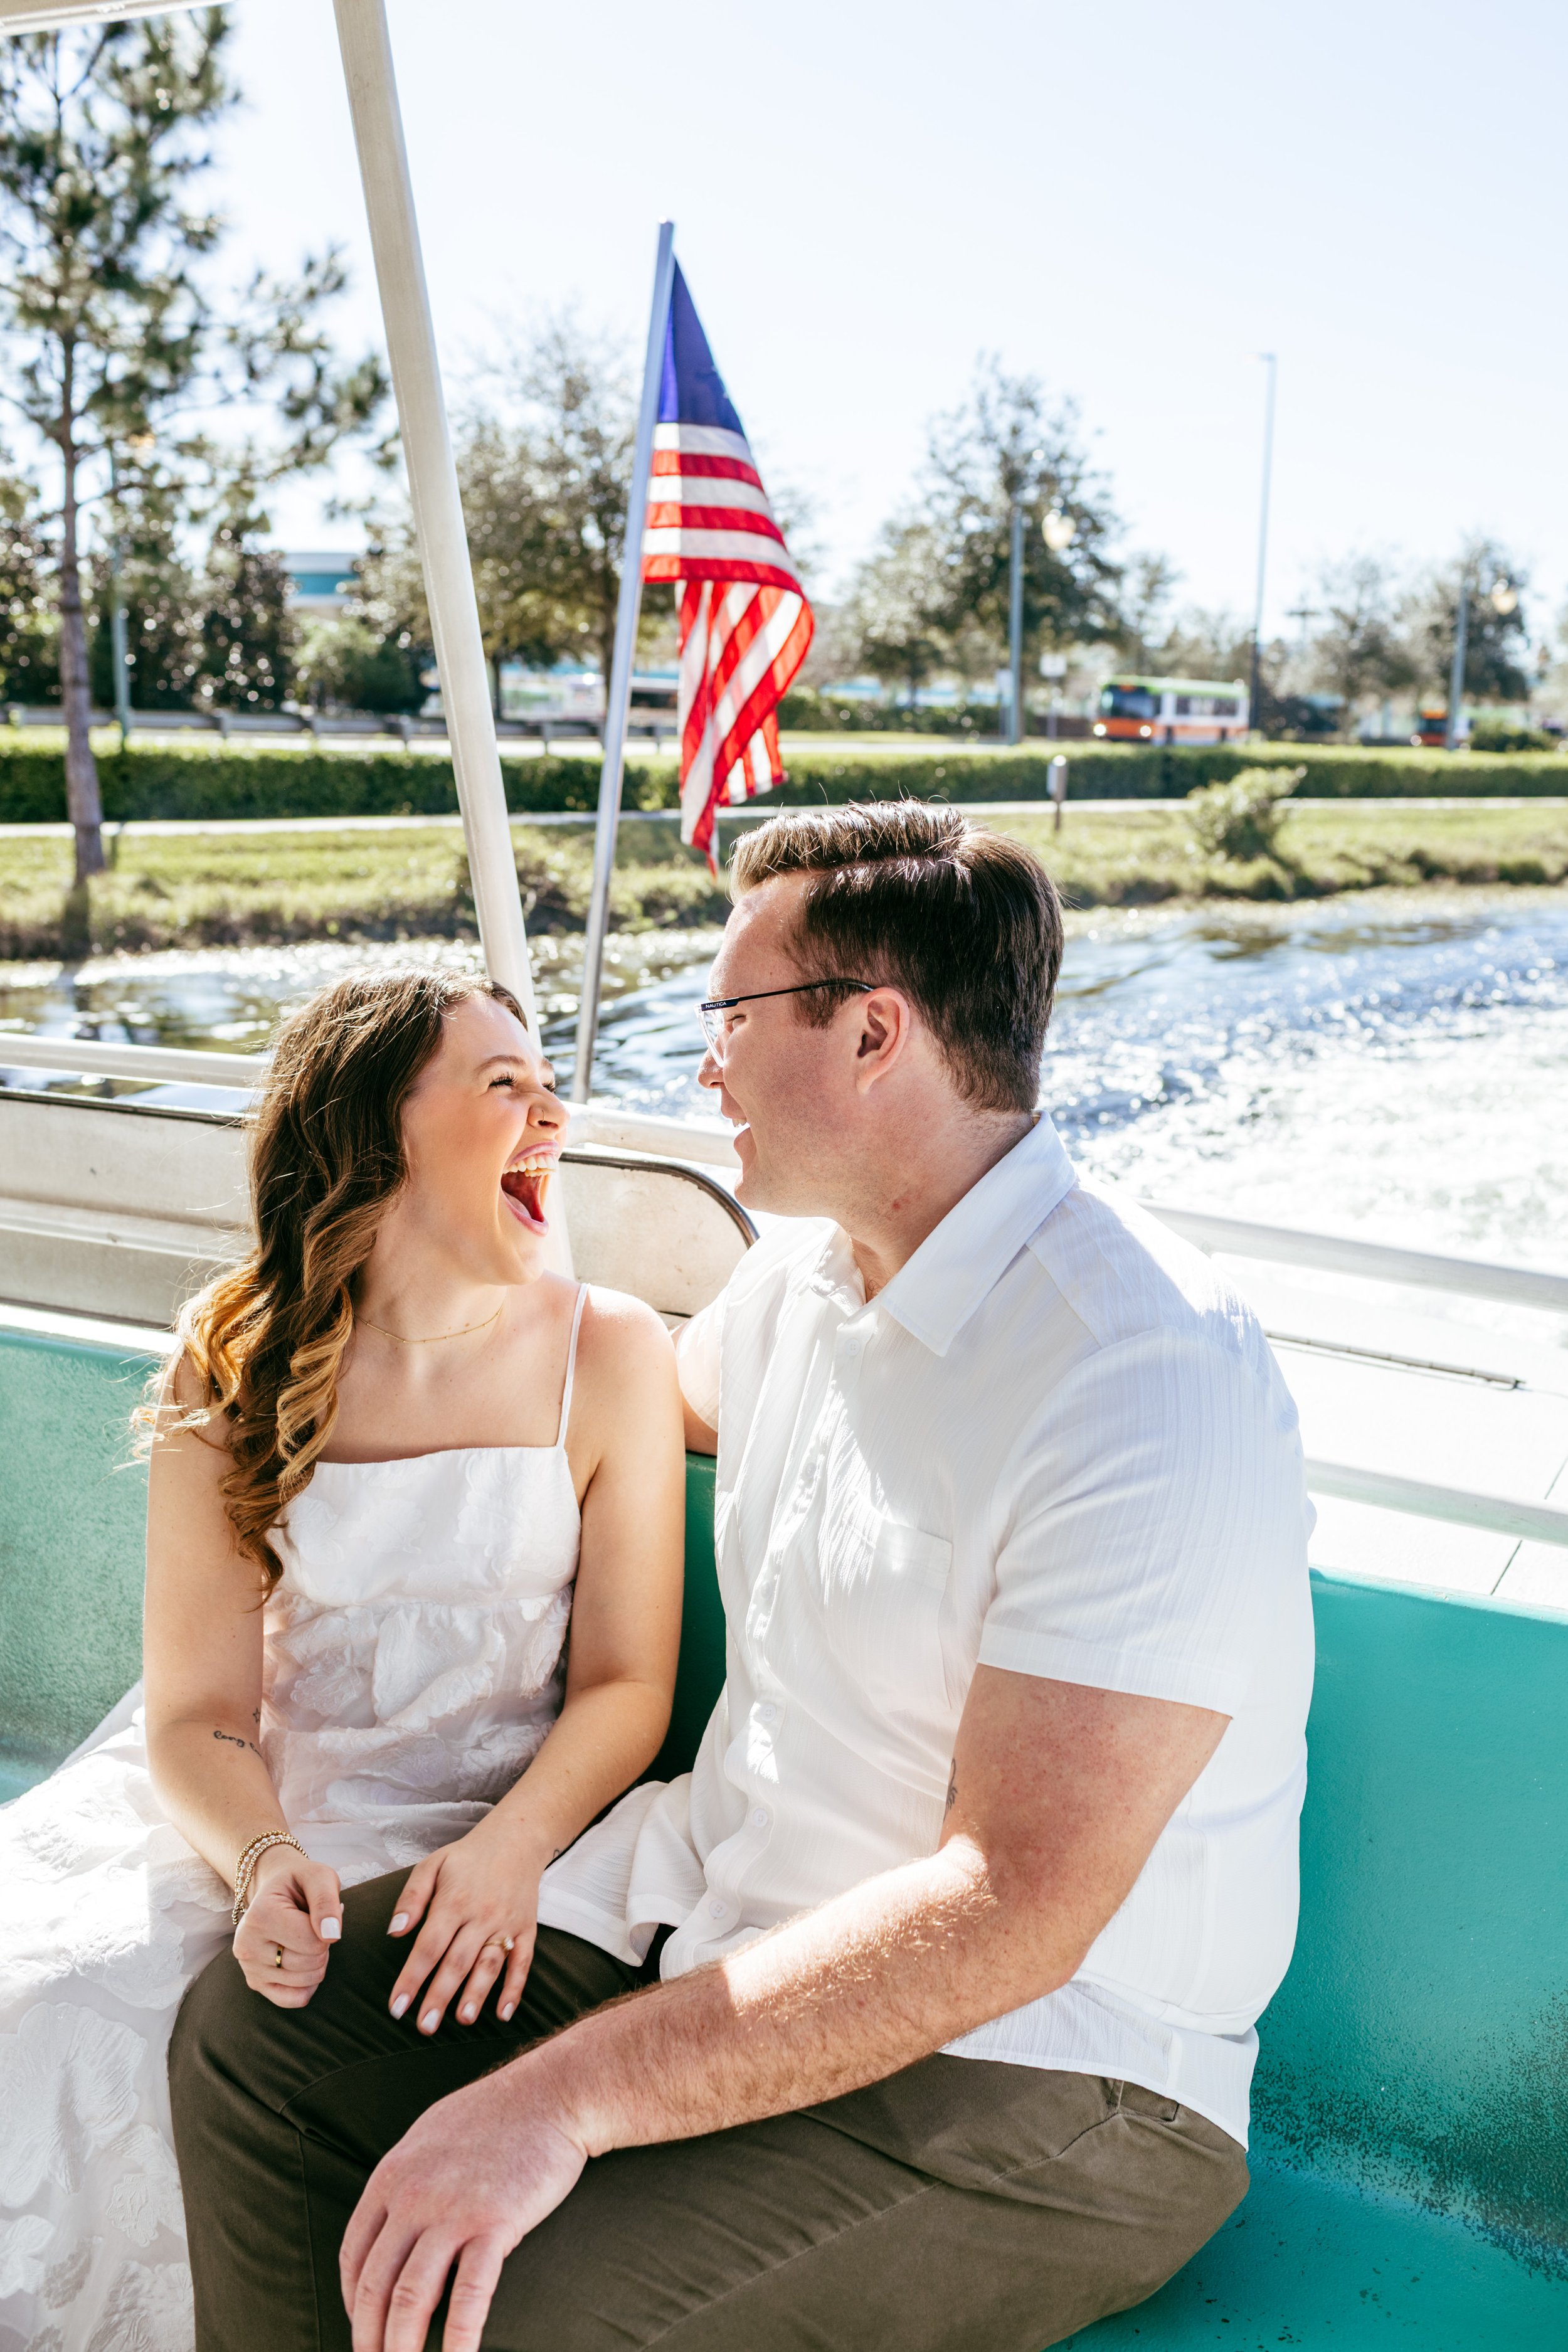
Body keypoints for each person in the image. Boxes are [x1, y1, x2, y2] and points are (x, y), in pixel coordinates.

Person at [171, 803, 1315, 2352]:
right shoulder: (802, 1281)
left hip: (1043, 2069)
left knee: (519, 2308)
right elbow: (582, 1411)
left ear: (870, 1035)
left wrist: (552, 2106)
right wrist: (319, 1342)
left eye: (727, 1013)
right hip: (710, 1916)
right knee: (262, 2034)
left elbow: (1015, 1913)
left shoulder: (1140, 1373)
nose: (697, 1059)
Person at [0, 969, 684, 2352]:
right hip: (254, 1807)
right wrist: (257, 1863)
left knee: (220, 2050)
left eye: (545, 1080)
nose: (553, 1110)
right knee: (45, 2013)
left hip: (485, 1828)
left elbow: (627, 1686)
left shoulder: (608, 1355)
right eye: (505, 1086)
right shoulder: (233, 1360)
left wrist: (509, 1851)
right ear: (379, 1131)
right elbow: (197, 1709)